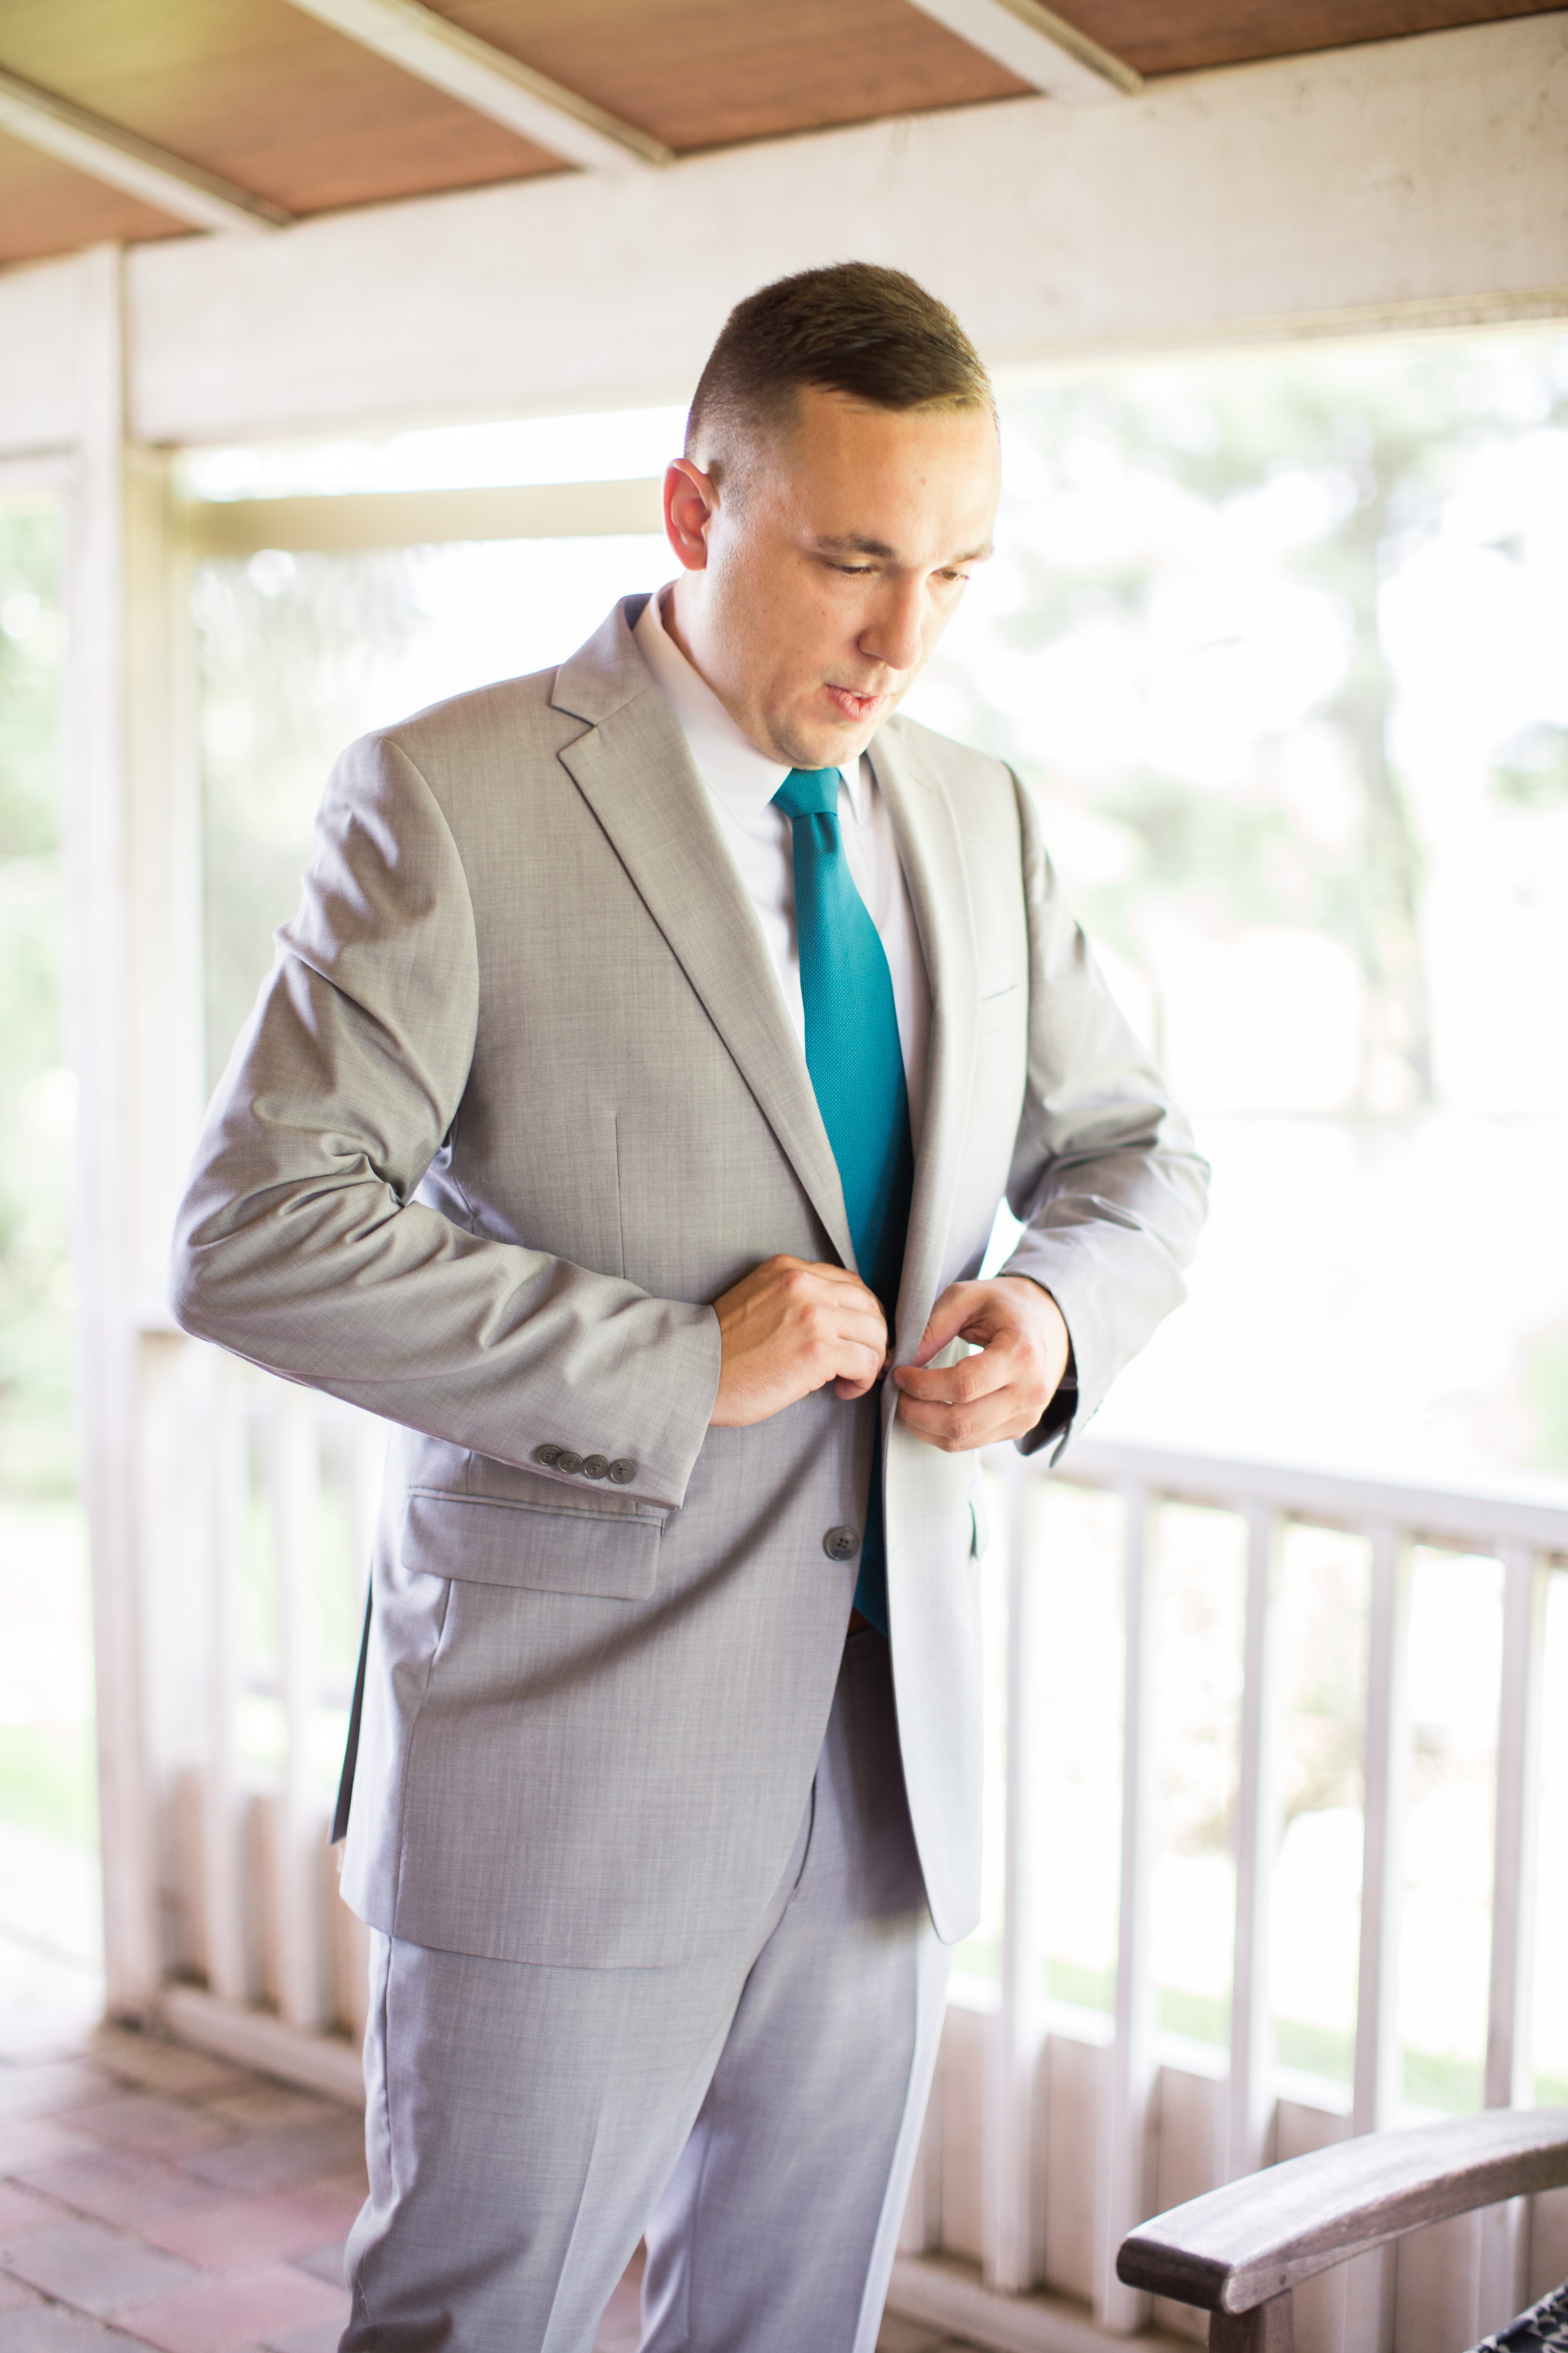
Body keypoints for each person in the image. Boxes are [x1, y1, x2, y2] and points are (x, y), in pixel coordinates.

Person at [171, 262, 1208, 2353]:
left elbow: (1136, 1154)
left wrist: (1052, 1325)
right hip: (568, 1765)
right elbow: (255, 1233)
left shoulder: (977, 814)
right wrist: (673, 1364)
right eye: (852, 561)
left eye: (954, 572)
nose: (906, 639)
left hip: (891, 1768)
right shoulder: (448, 793)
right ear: (692, 510)